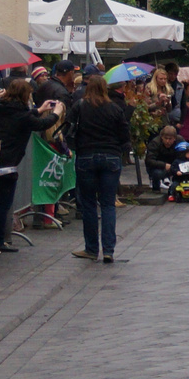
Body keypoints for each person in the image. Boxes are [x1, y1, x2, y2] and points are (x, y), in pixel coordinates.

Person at [0, 78, 64, 254]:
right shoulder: (22, 115)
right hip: (9, 162)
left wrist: (39, 110)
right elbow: (40, 124)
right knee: (3, 204)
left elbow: (24, 117)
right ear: (24, 96)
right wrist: (56, 113)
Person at [66, 74, 131, 263]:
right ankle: (109, 249)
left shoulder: (80, 106)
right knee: (108, 204)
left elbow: (69, 128)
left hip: (86, 155)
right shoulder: (114, 108)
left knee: (89, 205)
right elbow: (124, 133)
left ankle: (91, 248)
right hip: (111, 156)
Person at [145, 125, 180, 191]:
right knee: (157, 173)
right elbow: (149, 160)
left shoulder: (180, 141)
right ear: (162, 137)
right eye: (165, 138)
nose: (167, 141)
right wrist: (164, 165)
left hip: (174, 165)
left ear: (174, 138)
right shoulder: (155, 143)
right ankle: (156, 187)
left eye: (170, 139)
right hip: (158, 167)